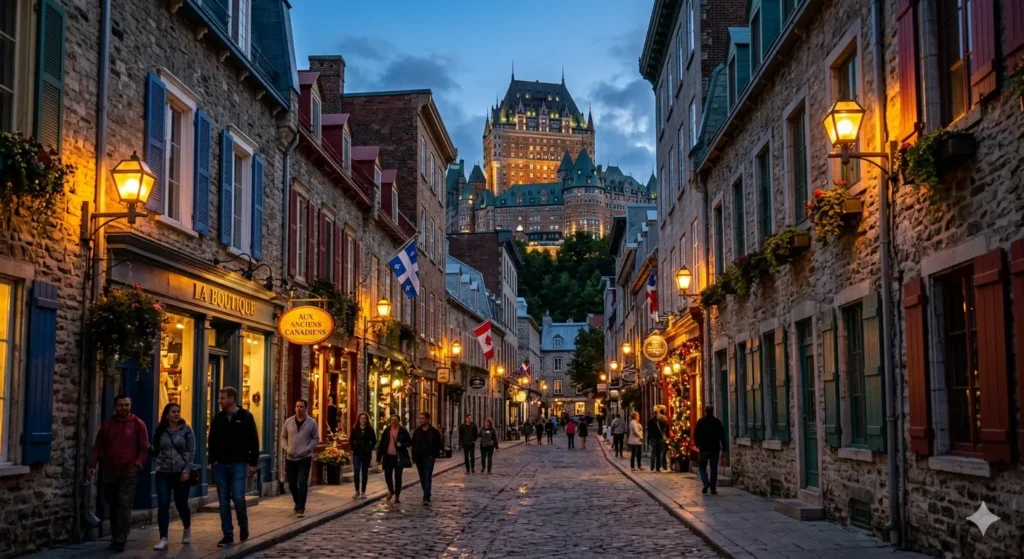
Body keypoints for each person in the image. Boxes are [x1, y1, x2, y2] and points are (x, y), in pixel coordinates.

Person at [88, 394, 149, 552]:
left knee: (124, 503)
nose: (124, 408)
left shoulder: (137, 424)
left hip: (129, 470)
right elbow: (98, 446)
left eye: (127, 405)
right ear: (115, 407)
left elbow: (144, 447)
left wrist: (138, 464)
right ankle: (116, 535)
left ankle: (121, 539)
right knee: (113, 504)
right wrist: (92, 465)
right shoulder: (107, 425)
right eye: (121, 405)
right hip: (110, 470)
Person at [208, 387, 260, 547]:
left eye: (222, 398)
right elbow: (212, 440)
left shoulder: (246, 417)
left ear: (231, 399)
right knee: (223, 501)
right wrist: (213, 461)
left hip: (239, 463)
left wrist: (252, 463)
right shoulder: (218, 418)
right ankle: (228, 534)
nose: (219, 400)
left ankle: (243, 525)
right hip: (221, 465)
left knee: (238, 496)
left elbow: (254, 441)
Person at [151, 403, 194, 551]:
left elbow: (191, 451)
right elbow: (155, 449)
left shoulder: (186, 430)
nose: (176, 414)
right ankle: (163, 538)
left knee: (181, 503)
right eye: (173, 412)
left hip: (181, 473)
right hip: (163, 472)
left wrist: (187, 470)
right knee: (163, 504)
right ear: (166, 415)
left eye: (178, 411)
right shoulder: (160, 431)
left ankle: (187, 527)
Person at [282, 399, 319, 517]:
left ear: (306, 408)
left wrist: (307, 448)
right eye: (297, 406)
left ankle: (301, 508)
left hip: (305, 457)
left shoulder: (311, 422)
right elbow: (283, 436)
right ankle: (297, 502)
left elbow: (315, 438)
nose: (299, 408)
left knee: (302, 482)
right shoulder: (289, 421)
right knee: (292, 483)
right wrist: (286, 448)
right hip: (291, 456)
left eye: (301, 407)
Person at [377, 414, 411, 504]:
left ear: (398, 421)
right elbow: (381, 444)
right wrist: (379, 458)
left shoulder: (403, 430)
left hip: (399, 457)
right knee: (387, 476)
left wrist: (402, 444)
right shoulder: (387, 430)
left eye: (395, 420)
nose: (394, 421)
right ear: (390, 421)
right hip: (388, 457)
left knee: (398, 477)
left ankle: (397, 495)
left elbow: (409, 442)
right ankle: (391, 491)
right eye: (392, 420)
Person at [694, 405, 728, 495]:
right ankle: (713, 488)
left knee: (702, 467)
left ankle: (705, 482)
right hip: (714, 449)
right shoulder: (717, 422)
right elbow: (722, 436)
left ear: (705, 411)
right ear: (713, 411)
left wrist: (697, 444)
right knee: (714, 468)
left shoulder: (700, 422)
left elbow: (696, 434)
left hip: (704, 448)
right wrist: (724, 449)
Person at [412, 412, 443, 505]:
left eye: (422, 418)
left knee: (427, 476)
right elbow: (413, 444)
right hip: (419, 457)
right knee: (422, 477)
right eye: (419, 418)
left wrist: (434, 454)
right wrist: (414, 456)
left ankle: (426, 498)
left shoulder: (433, 431)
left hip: (429, 457)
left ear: (427, 419)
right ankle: (427, 493)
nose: (420, 420)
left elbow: (438, 443)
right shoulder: (417, 431)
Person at [349, 412, 377, 498]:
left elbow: (374, 441)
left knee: (364, 473)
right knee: (356, 473)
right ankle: (357, 491)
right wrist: (354, 448)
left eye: (365, 418)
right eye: (361, 418)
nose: (363, 420)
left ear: (367, 420)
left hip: (366, 454)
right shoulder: (355, 429)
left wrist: (369, 448)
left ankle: (363, 492)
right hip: (357, 454)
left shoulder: (370, 429)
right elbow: (351, 440)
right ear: (359, 419)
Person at [647, 406, 669, 473]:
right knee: (659, 453)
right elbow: (665, 428)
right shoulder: (660, 420)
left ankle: (654, 467)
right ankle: (657, 467)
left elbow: (649, 431)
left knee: (656, 453)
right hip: (659, 438)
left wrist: (649, 439)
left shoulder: (653, 420)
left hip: (656, 438)